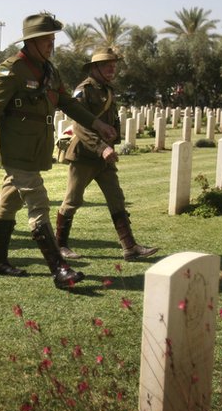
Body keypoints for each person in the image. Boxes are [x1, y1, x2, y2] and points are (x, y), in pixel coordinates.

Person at [0, 13, 117, 289]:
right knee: (38, 201)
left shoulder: (50, 71)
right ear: (30, 42)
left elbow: (66, 101)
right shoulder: (12, 69)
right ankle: (59, 268)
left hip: (36, 148)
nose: (51, 44)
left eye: (52, 38)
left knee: (9, 201)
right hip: (15, 149)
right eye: (45, 39)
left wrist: (97, 122)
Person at [56, 47, 158, 262]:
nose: (112, 69)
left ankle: (129, 247)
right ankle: (60, 245)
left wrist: (113, 138)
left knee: (116, 199)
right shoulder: (83, 91)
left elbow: (112, 118)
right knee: (72, 200)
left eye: (113, 65)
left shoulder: (107, 90)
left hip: (104, 156)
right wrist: (102, 148)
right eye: (106, 65)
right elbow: (79, 127)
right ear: (94, 68)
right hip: (85, 154)